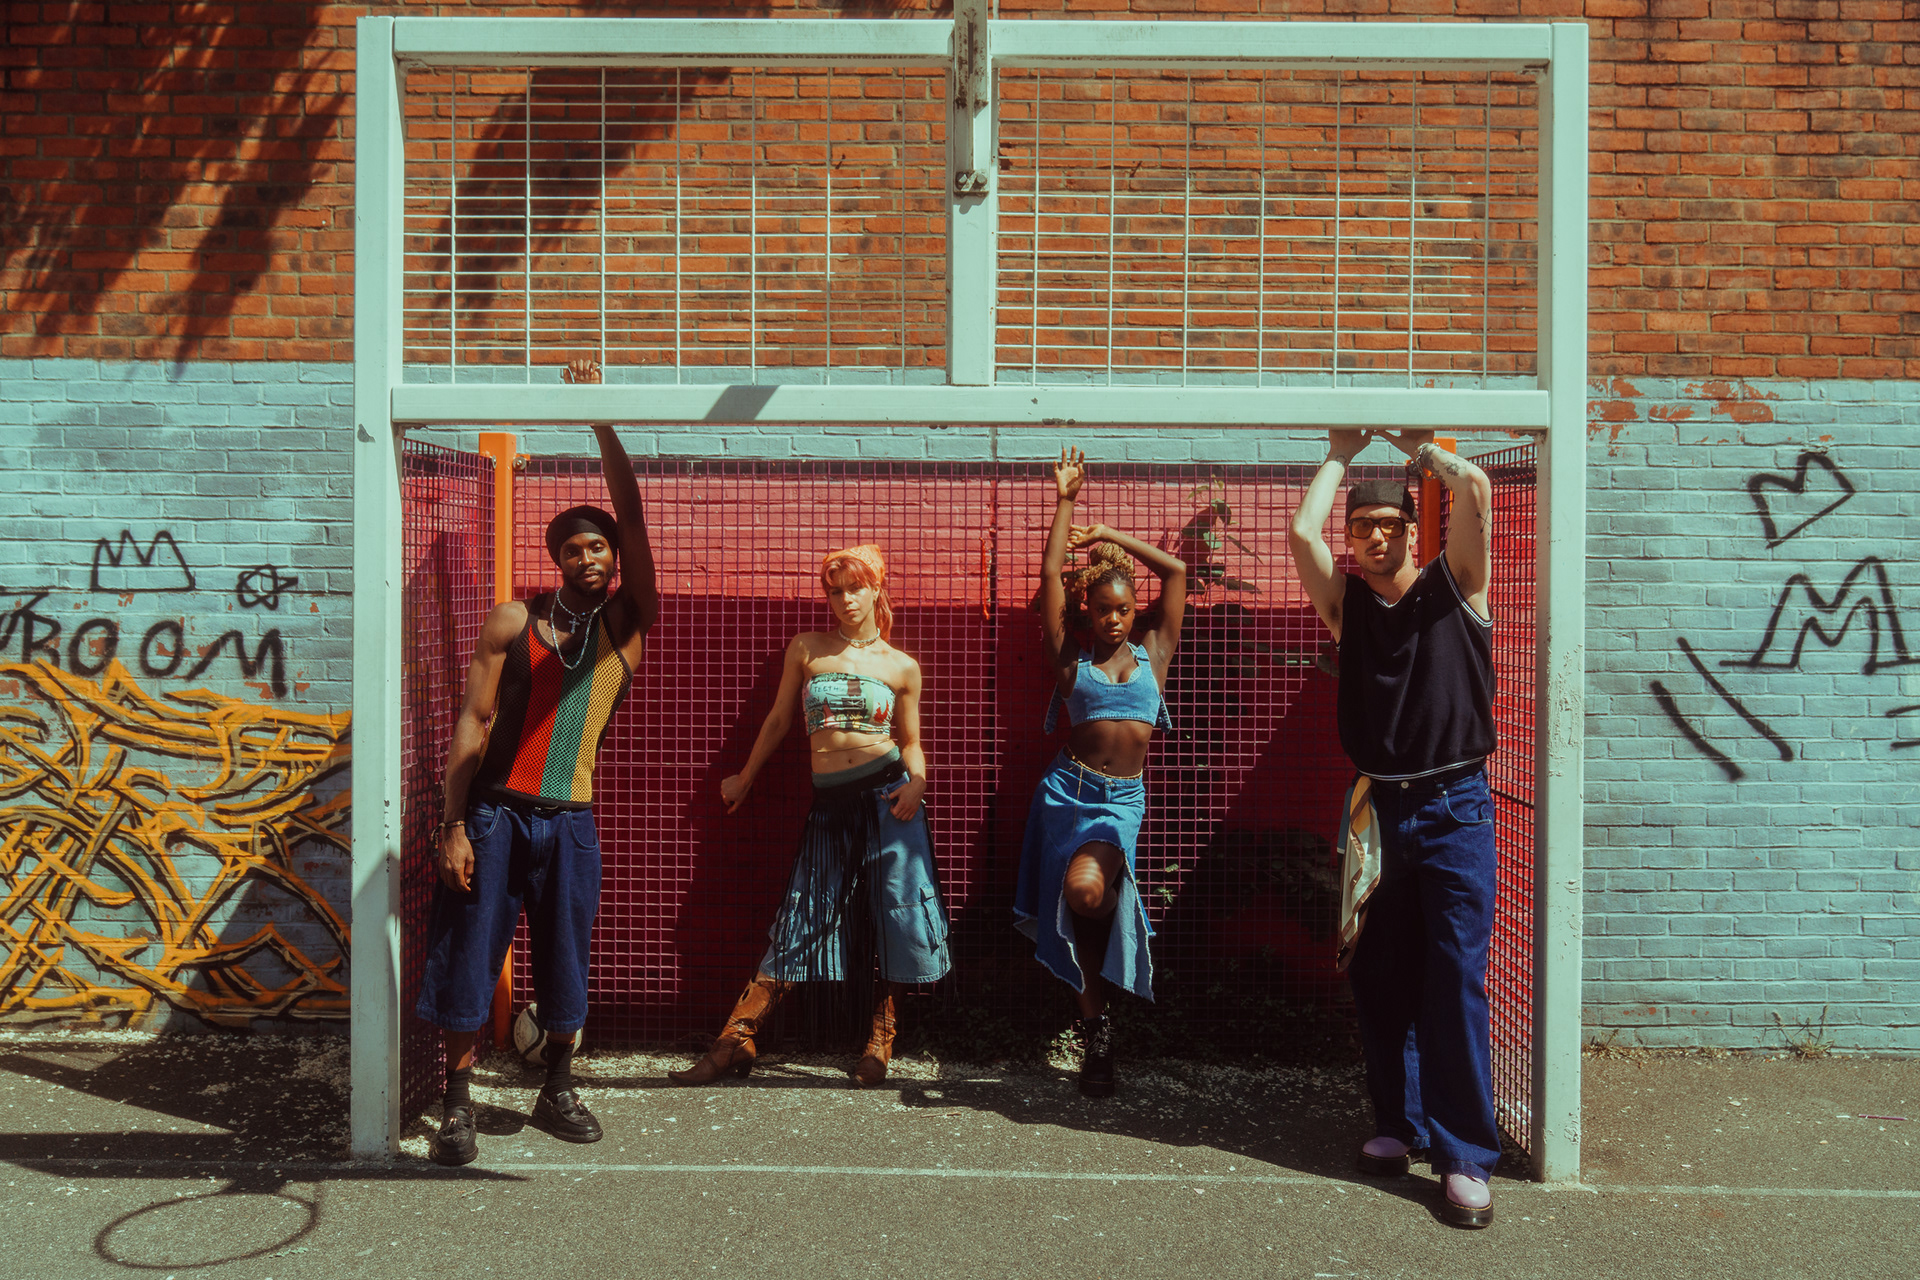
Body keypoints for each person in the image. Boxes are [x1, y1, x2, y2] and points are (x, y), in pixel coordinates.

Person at [416, 358, 657, 1167]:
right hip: (494, 816)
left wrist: (599, 418)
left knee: (565, 960)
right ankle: (457, 1105)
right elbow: (473, 723)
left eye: (601, 547)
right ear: (558, 558)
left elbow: (634, 515)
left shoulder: (627, 624)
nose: (592, 557)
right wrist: (453, 824)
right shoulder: (512, 621)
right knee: (468, 952)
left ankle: (556, 1087)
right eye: (576, 548)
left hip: (570, 822)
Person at [1286, 428, 1501, 1229]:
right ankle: (1398, 1124)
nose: (1375, 537)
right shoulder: (1348, 608)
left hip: (1454, 806)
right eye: (1362, 526)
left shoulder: (1458, 585)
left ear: (1413, 528)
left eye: (1389, 524)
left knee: (1454, 977)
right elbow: (1300, 533)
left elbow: (1476, 489)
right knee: (1380, 974)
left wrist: (1420, 450)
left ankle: (1465, 1156)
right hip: (1377, 808)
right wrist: (1341, 451)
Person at [668, 544, 949, 1088]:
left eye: (856, 588)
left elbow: (912, 742)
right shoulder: (807, 648)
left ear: (876, 588)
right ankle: (736, 1039)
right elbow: (778, 720)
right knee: (804, 914)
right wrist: (745, 776)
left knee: (894, 915)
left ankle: (881, 1042)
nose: (845, 600)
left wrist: (918, 784)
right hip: (831, 805)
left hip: (889, 801)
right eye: (835, 591)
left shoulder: (901, 666)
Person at [1014, 446, 1187, 1098]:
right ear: (1087, 610)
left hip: (1119, 803)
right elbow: (1050, 574)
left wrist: (1109, 534)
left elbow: (1176, 571)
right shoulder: (1071, 662)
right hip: (1066, 794)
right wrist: (1065, 501)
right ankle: (1096, 1034)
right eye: (1103, 609)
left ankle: (1119, 923)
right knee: (1074, 908)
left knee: (1087, 896)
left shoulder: (1155, 653)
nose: (1115, 618)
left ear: (1135, 610)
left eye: (1124, 608)